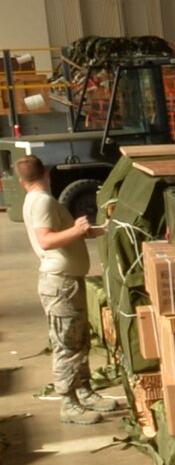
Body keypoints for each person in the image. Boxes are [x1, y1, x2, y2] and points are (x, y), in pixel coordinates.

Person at [15, 154, 120, 425]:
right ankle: (68, 402)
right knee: (66, 344)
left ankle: (84, 390)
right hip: (59, 284)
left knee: (79, 340)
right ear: (47, 173)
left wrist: (94, 230)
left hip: (69, 281)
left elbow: (61, 233)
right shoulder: (42, 202)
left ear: (20, 180)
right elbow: (47, 240)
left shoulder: (36, 200)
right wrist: (76, 230)